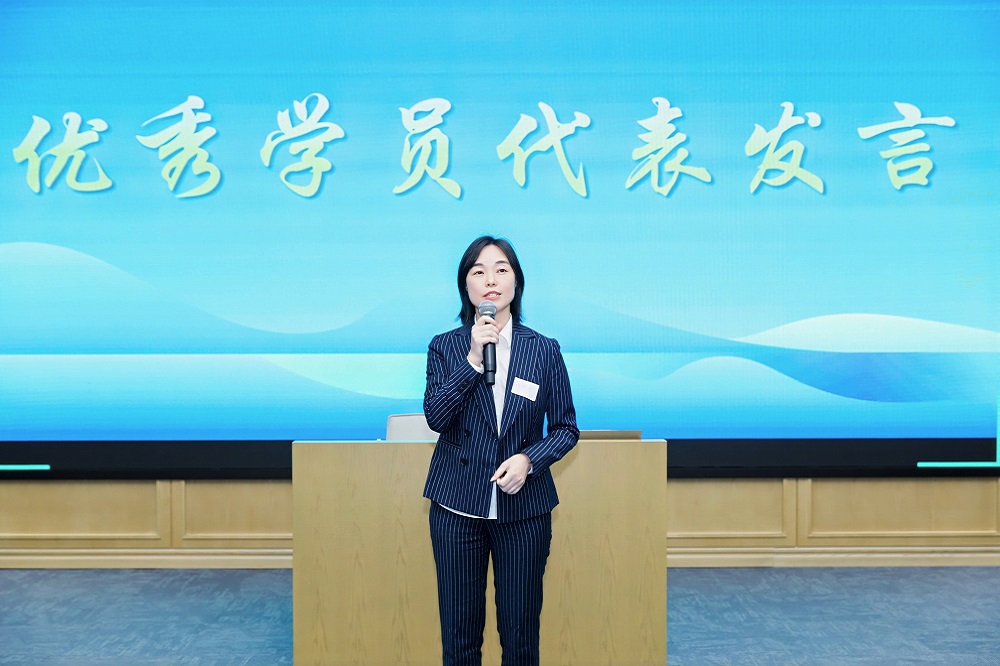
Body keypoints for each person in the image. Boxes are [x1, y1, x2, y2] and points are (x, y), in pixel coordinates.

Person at [423, 235, 579, 666]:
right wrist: (473, 359)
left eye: (501, 269)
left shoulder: (543, 350)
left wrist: (530, 460)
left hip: (524, 511)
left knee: (520, 638)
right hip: (457, 508)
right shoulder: (445, 346)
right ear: (466, 286)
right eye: (479, 271)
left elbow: (566, 429)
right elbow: (436, 417)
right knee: (459, 640)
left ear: (516, 282)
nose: (490, 280)